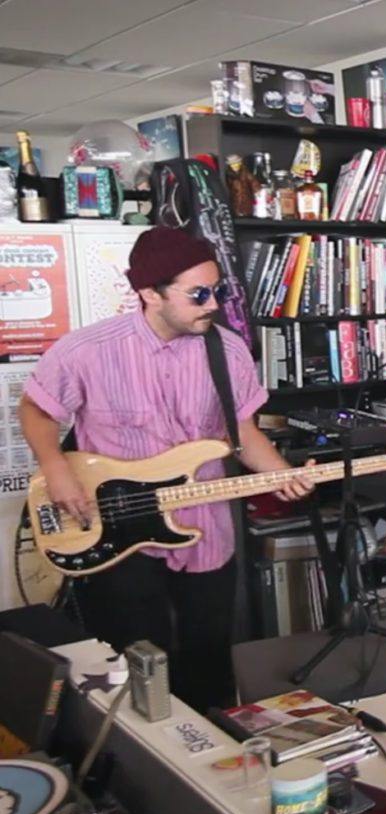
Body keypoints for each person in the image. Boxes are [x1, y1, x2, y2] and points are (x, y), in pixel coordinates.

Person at [18, 227, 314, 710]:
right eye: (198, 294)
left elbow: (241, 431)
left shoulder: (228, 349)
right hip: (116, 529)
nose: (213, 303)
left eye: (218, 291)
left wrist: (281, 473)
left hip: (204, 527)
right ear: (149, 293)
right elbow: (36, 409)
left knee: (207, 659)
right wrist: (56, 468)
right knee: (133, 663)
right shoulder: (88, 350)